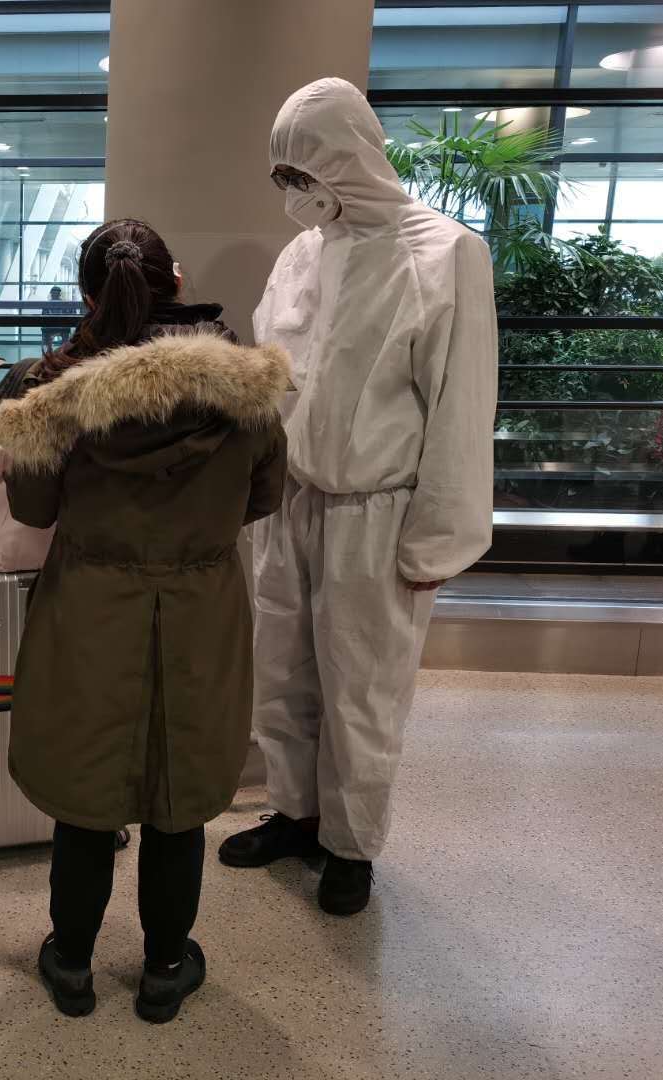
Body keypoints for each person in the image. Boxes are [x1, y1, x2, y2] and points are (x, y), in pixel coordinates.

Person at [0, 219, 289, 1024]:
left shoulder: (51, 389)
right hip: (201, 609)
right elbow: (265, 495)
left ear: (90, 295)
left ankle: (72, 963)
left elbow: (32, 507)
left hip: (90, 607)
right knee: (178, 797)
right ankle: (164, 969)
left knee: (85, 796)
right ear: (177, 282)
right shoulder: (246, 387)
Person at [219, 77, 498, 916]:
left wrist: (437, 537)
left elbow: (461, 403)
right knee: (282, 675)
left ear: (347, 156)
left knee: (362, 690)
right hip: (291, 501)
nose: (294, 193)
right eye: (284, 177)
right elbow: (274, 372)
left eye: (304, 173)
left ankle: (351, 844)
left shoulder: (444, 252)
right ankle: (296, 814)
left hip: (377, 511)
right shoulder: (302, 252)